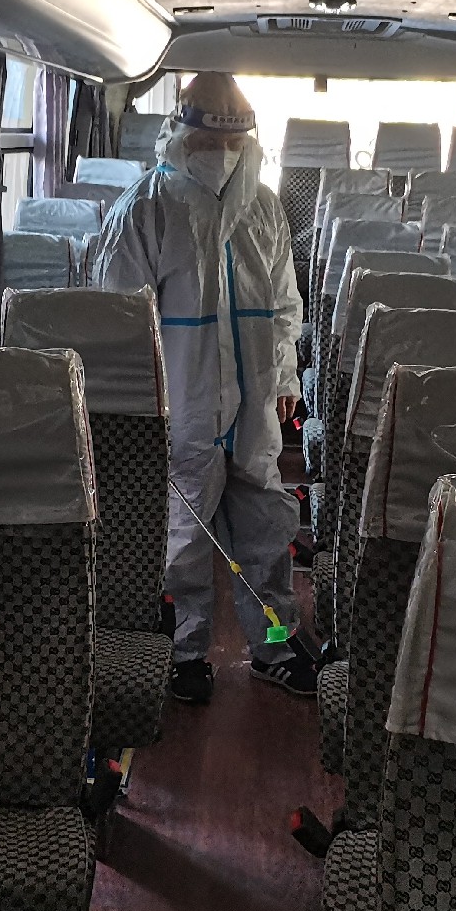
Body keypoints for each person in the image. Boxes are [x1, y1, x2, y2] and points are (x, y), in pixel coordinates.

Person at [91, 73, 318, 704]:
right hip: (182, 402)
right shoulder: (145, 209)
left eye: (232, 143)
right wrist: (141, 412)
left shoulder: (263, 207)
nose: (221, 155)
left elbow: (284, 304)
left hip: (255, 402)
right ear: (181, 135)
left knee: (265, 529)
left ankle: (275, 645)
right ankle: (185, 654)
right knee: (182, 535)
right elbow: (118, 324)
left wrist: (286, 376)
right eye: (208, 142)